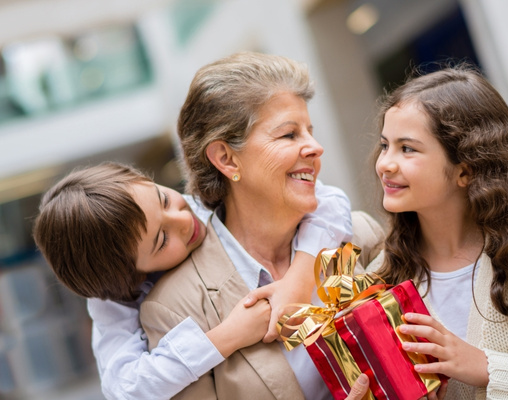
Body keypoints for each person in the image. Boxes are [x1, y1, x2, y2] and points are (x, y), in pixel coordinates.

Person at [138, 51, 386, 399]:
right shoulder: (175, 308)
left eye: (309, 131)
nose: (315, 147)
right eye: (288, 135)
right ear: (226, 158)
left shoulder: (360, 233)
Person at [368, 65, 508, 399]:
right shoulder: (379, 281)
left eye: (408, 148)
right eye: (384, 144)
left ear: (465, 170)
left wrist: (487, 369)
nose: (385, 163)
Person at [32, 161, 355, 399]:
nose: (185, 220)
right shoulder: (114, 299)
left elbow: (329, 199)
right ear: (133, 277)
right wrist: (227, 336)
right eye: (161, 240)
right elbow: (126, 389)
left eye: (164, 199)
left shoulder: (207, 204)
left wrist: (298, 279)